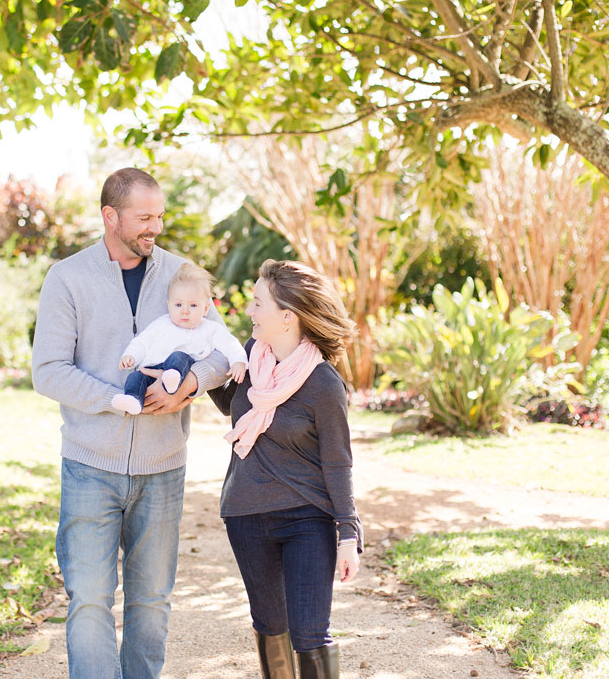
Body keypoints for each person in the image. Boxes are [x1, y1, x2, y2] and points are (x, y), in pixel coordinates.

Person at [30, 167, 230, 679]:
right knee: (91, 600)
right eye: (144, 218)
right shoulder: (68, 278)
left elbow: (224, 353)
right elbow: (48, 370)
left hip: (163, 469)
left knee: (152, 601)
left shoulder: (182, 274)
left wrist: (192, 383)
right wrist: (114, 399)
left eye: (159, 216)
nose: (155, 228)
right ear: (110, 216)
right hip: (89, 466)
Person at [209, 259, 362, 679]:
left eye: (258, 304)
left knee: (310, 633)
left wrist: (348, 533)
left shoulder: (323, 383)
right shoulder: (249, 358)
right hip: (246, 515)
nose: (251, 312)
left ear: (287, 317)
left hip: (306, 519)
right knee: (270, 625)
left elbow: (337, 461)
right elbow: (229, 404)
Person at [113, 262, 248, 415]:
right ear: (168, 305)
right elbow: (142, 342)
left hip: (180, 371)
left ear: (205, 309)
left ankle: (173, 376)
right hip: (150, 370)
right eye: (178, 305)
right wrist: (131, 355)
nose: (185, 311)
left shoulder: (210, 329)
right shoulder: (161, 324)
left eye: (193, 306)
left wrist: (238, 361)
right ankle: (133, 399)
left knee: (179, 356)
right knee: (135, 377)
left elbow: (230, 344)